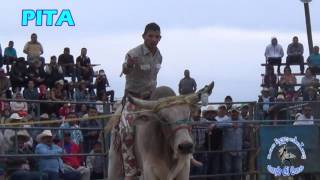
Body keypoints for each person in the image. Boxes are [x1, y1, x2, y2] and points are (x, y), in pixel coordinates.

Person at [117, 22, 162, 180]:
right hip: (133, 100)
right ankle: (130, 170)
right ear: (144, 36)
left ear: (160, 38)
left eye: (156, 36)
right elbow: (125, 70)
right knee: (127, 130)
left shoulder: (159, 56)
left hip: (151, 100)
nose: (153, 39)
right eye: (150, 36)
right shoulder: (133, 53)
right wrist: (128, 66)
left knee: (169, 122)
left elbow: (153, 79)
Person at [209, 108, 243, 180]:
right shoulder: (227, 120)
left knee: (238, 169)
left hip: (238, 149)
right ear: (230, 113)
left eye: (235, 112)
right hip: (228, 149)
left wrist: (253, 125)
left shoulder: (241, 120)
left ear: (238, 113)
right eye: (233, 112)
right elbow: (218, 124)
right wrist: (230, 124)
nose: (234, 114)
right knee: (227, 169)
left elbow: (249, 123)